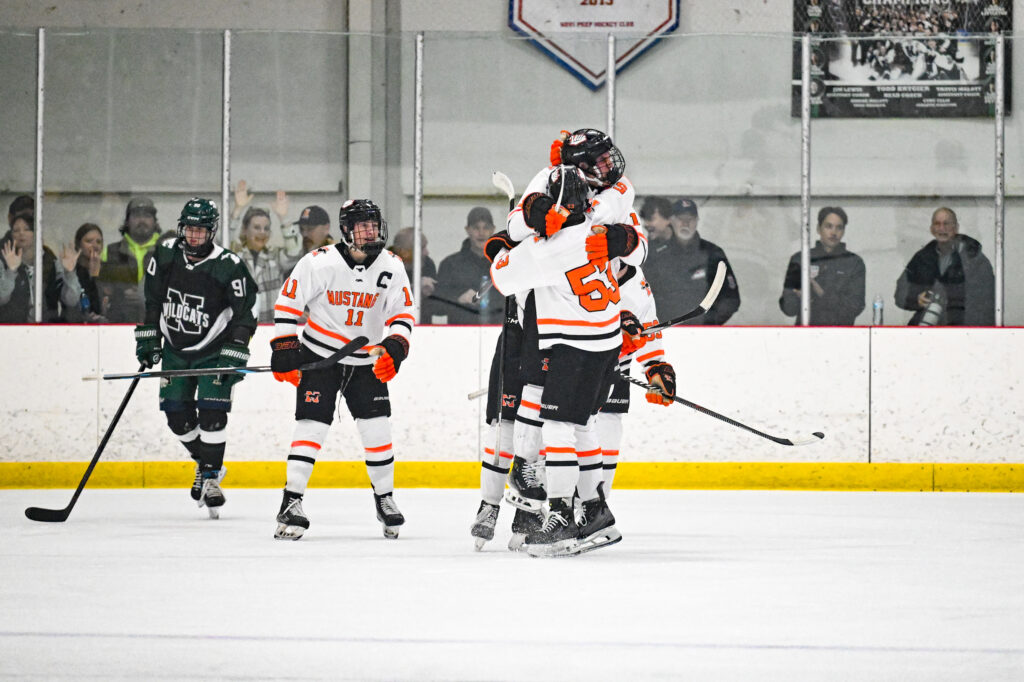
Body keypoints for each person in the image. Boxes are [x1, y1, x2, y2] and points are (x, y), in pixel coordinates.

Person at [491, 163, 646, 557]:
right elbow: (623, 202)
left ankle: (560, 516)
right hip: (606, 344)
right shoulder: (596, 227)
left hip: (573, 348)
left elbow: (501, 276)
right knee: (581, 427)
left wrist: (506, 245)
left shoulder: (545, 250)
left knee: (557, 427)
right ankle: (595, 511)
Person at [270, 199, 415, 541]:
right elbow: (287, 305)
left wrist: (395, 347)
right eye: (362, 225)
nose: (371, 231)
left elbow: (403, 315)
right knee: (311, 426)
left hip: (366, 364)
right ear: (347, 231)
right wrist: (286, 349)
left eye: (374, 224)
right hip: (321, 359)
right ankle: (291, 501)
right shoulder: (319, 262)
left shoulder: (393, 266)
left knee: (378, 429)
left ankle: (385, 499)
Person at [134, 197, 257, 518]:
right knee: (176, 417)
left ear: (211, 231)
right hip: (175, 352)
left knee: (212, 415)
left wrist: (237, 347)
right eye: (189, 229)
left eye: (201, 231)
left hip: (214, 351)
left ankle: (211, 477)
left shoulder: (228, 265)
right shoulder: (164, 254)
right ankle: (206, 464)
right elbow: (153, 300)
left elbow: (247, 312)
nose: (194, 237)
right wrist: (149, 337)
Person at [642, 197, 740, 325]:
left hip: (703, 336)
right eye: (680, 219)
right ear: (671, 221)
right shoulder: (655, 255)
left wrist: (707, 322)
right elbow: (642, 295)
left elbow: (731, 298)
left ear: (697, 221)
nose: (685, 223)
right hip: (665, 333)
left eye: (690, 219)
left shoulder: (713, 254)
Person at [894, 207, 995, 326]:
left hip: (964, 329)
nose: (942, 228)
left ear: (956, 228)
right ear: (931, 229)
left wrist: (945, 296)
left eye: (946, 224)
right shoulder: (922, 257)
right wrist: (917, 299)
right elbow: (901, 293)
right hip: (927, 331)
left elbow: (987, 298)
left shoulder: (974, 258)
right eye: (937, 224)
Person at [778, 206, 866, 325]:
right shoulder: (800, 259)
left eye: (839, 228)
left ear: (844, 231)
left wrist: (820, 292)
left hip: (842, 336)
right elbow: (789, 310)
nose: (833, 232)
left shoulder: (854, 263)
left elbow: (854, 308)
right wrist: (801, 298)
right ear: (818, 229)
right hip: (805, 334)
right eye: (828, 226)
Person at [0, 208, 82, 323]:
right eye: (16, 230)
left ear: (37, 233)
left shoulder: (53, 262)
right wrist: (11, 271)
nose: (21, 233)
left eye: (27, 229)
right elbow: (1, 299)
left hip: (47, 329)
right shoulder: (3, 261)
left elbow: (71, 301)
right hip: (12, 329)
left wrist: (69, 273)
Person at [231, 205, 302, 323]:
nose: (262, 232)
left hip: (270, 329)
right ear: (244, 230)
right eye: (257, 227)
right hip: (240, 329)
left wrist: (284, 218)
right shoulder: (235, 257)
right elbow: (221, 242)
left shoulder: (275, 256)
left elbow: (294, 253)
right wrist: (236, 211)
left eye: (266, 228)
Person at [97, 196, 162, 322]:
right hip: (119, 327)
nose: (142, 220)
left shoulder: (166, 252)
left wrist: (146, 297)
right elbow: (101, 293)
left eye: (147, 216)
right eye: (136, 216)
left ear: (155, 221)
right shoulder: (110, 252)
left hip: (157, 327)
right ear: (127, 221)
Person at [433, 206, 502, 324]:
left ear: (493, 230)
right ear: (467, 229)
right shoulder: (450, 264)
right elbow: (436, 308)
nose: (481, 233)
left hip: (498, 334)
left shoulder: (504, 264)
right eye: (476, 228)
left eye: (486, 227)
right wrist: (457, 298)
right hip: (460, 335)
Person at [387, 226, 438, 313]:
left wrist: (430, 291)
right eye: (422, 248)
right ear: (405, 252)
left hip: (421, 324)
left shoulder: (427, 264)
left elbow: (436, 308)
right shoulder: (385, 266)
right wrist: (415, 288)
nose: (427, 252)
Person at [66, 223, 107, 323]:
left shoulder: (108, 269)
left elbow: (101, 306)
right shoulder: (70, 268)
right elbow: (70, 303)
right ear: (78, 244)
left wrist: (95, 276)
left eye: (98, 242)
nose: (95, 246)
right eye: (89, 241)